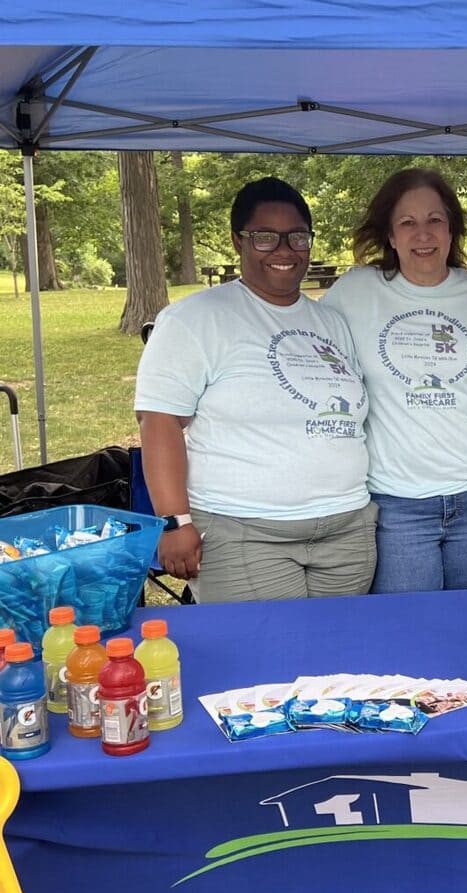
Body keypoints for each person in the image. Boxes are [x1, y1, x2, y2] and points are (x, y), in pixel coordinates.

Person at [135, 177, 376, 602]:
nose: (284, 250)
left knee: (339, 661)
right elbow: (159, 422)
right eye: (265, 237)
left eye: (297, 236)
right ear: (238, 241)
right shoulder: (196, 318)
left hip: (346, 534)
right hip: (244, 534)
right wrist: (174, 522)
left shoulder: (330, 322)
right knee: (265, 662)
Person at [322, 168, 467, 594]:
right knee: (405, 632)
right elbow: (307, 342)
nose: (423, 234)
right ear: (390, 236)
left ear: (452, 230)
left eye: (435, 220)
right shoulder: (356, 292)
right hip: (397, 502)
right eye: (407, 223)